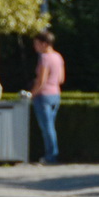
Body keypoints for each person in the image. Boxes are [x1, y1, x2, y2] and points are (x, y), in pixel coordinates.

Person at [28, 31, 64, 164]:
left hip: (44, 96)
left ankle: (51, 156)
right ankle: (52, 154)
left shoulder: (44, 58)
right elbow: (61, 78)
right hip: (56, 94)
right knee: (51, 127)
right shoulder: (58, 57)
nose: (35, 47)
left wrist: (32, 93)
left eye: (36, 44)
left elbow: (41, 80)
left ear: (44, 44)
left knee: (46, 128)